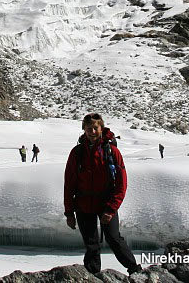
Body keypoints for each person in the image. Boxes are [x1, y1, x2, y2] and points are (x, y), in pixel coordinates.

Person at [64, 113, 141, 275]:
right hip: (83, 204)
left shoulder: (112, 151)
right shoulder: (77, 153)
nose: (92, 131)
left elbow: (121, 183)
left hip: (106, 202)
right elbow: (69, 183)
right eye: (88, 128)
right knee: (91, 244)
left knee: (114, 239)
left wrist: (111, 208)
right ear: (83, 129)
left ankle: (135, 270)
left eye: (95, 128)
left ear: (101, 128)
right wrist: (69, 212)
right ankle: (93, 275)